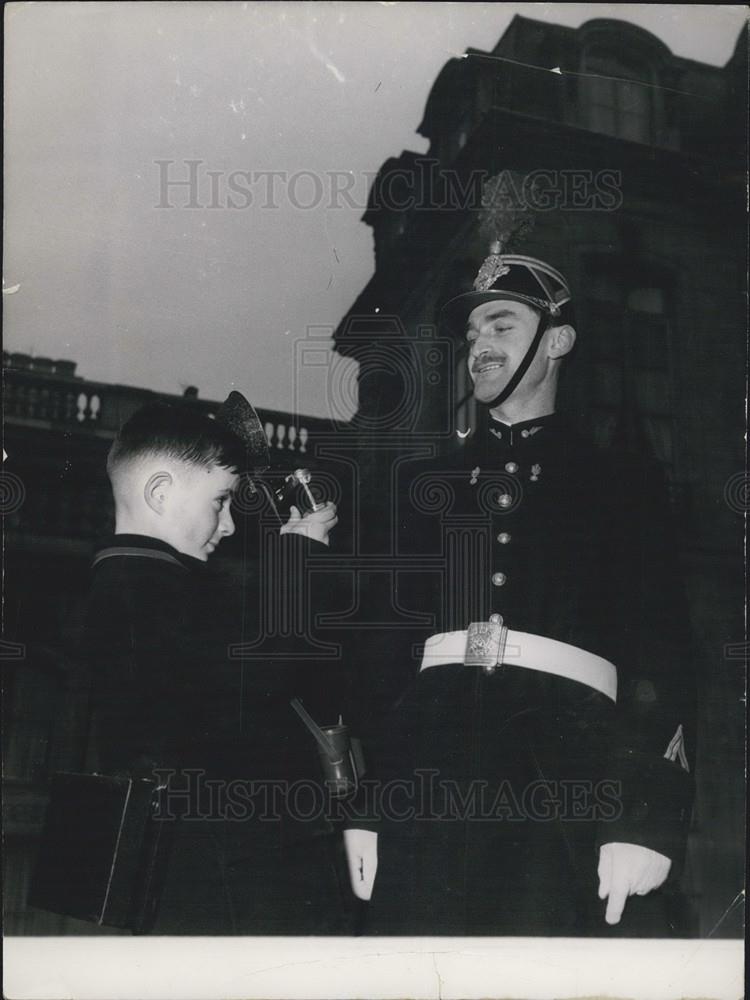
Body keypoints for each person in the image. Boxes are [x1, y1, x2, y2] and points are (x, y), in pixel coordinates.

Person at [344, 248, 695, 936]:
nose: (479, 347)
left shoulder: (618, 484)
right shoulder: (421, 489)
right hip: (429, 780)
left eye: (501, 326)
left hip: (565, 782)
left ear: (556, 340)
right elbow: (385, 662)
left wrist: (644, 816)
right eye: (473, 335)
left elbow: (660, 654)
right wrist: (368, 804)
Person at [83, 399, 344, 933]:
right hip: (215, 871)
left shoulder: (138, 580)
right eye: (220, 502)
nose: (228, 525)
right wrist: (298, 563)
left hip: (202, 861)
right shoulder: (146, 586)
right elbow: (255, 688)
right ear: (159, 493)